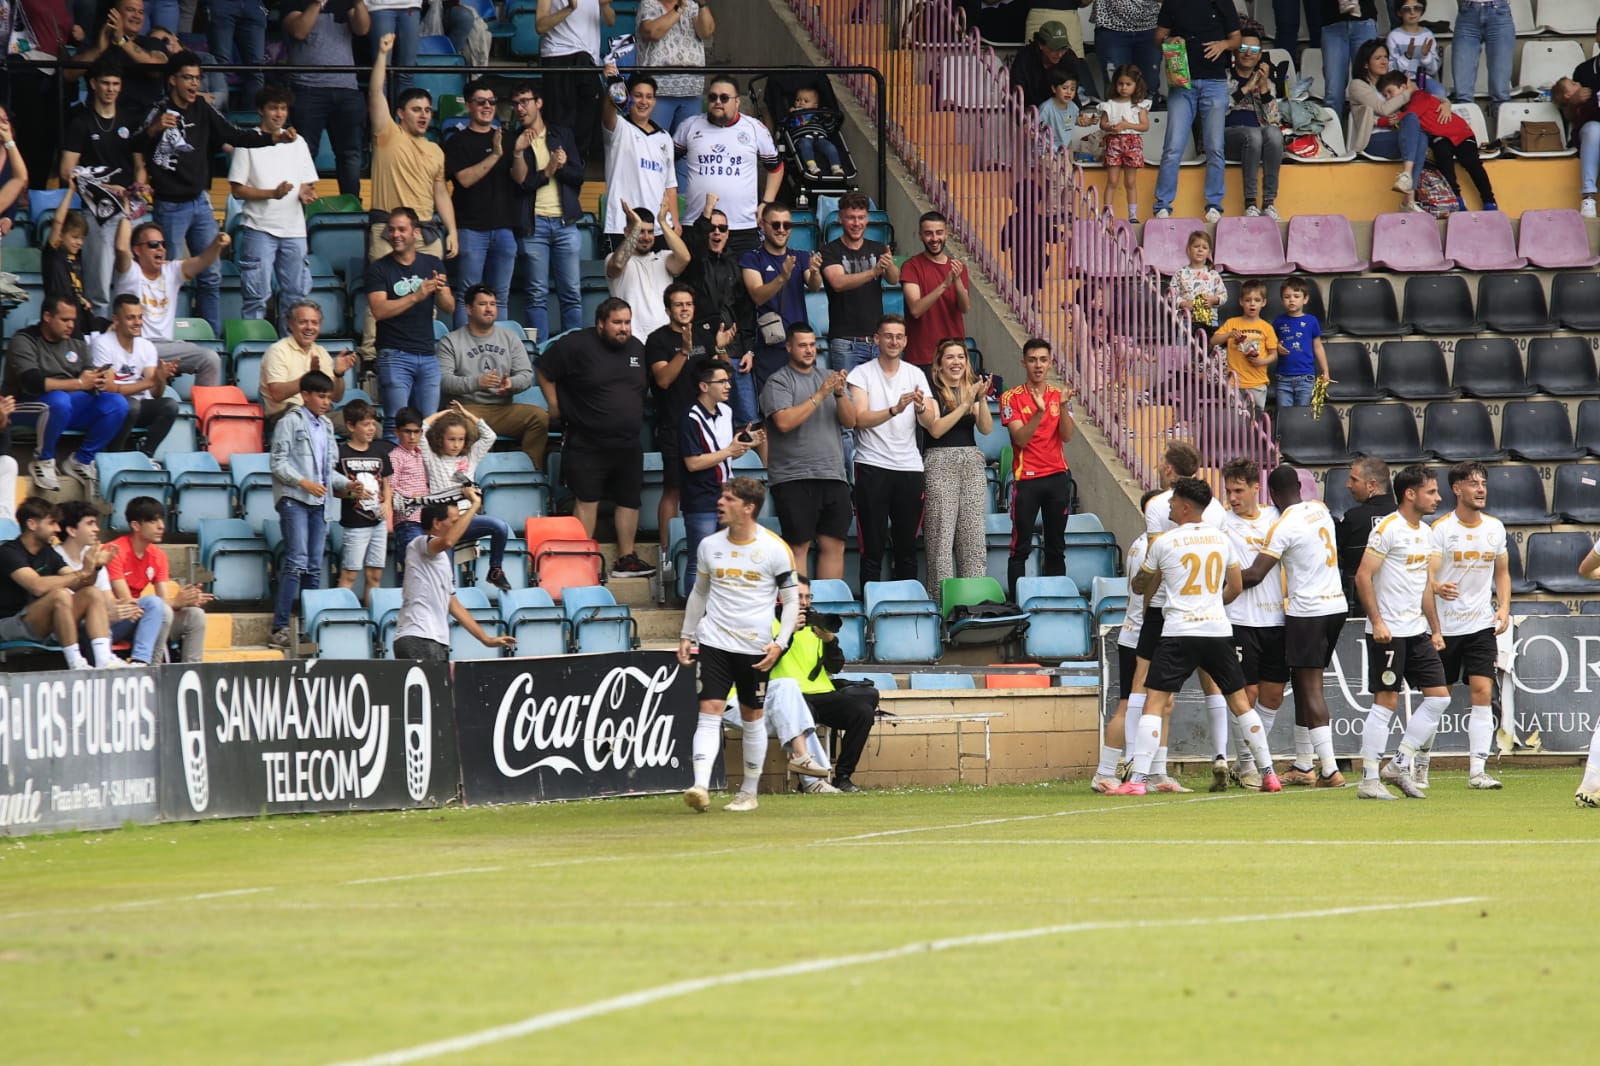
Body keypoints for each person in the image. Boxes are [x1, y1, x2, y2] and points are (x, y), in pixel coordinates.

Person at [1113, 477, 1281, 795]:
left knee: (1155, 702)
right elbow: (1235, 585)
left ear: (1186, 506)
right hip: (1217, 630)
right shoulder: (1221, 539)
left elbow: (1139, 585)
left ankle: (1137, 781)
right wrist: (1215, 603)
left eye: (1173, 501)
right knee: (1240, 703)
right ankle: (1269, 774)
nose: (1170, 506)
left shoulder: (1164, 543)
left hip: (1179, 631)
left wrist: (1150, 578)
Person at [132, 51, 290, 336]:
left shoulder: (203, 109)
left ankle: (211, 339)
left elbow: (232, 134)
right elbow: (133, 145)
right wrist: (154, 130)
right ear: (172, 80)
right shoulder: (158, 110)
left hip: (200, 202)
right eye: (188, 78)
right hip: (169, 206)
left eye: (197, 78)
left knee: (211, 276)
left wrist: (271, 138)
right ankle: (168, 335)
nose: (194, 84)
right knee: (168, 277)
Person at [678, 476, 801, 813]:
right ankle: (700, 786)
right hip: (714, 641)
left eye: (729, 499)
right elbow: (699, 593)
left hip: (755, 648)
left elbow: (791, 602)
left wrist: (780, 643)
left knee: (752, 716)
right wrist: (687, 635)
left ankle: (748, 792)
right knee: (709, 710)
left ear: (748, 508)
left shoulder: (775, 549)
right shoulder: (710, 546)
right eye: (721, 496)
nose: (720, 503)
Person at [1239, 467, 1349, 788]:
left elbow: (1255, 575)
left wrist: (1216, 580)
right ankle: (1304, 765)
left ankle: (1329, 769)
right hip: (1336, 606)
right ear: (1300, 487)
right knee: (1303, 684)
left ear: (1270, 495)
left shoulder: (1282, 526)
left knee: (1311, 686)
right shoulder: (1319, 510)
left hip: (1308, 612)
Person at [536, 298, 657, 577]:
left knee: (630, 500)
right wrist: (555, 405)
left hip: (627, 442)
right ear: (601, 323)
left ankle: (626, 560)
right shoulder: (576, 345)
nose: (624, 329)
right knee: (587, 500)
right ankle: (582, 557)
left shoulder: (637, 348)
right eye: (617, 323)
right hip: (587, 441)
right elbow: (543, 369)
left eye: (627, 322)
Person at [1352, 464, 1450, 801]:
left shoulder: (1425, 533)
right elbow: (1363, 576)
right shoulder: (1387, 530)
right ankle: (1368, 780)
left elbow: (1424, 585)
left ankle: (1399, 763)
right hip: (1389, 632)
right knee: (1386, 703)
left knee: (1440, 697)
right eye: (1431, 491)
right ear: (1410, 494)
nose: (1438, 497)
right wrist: (1377, 621)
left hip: (1416, 630)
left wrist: (1435, 628)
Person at [268, 370, 368, 649]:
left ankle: (308, 626)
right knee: (297, 561)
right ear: (306, 395)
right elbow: (277, 463)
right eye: (321, 396)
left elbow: (329, 473)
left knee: (313, 566)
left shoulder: (325, 425)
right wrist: (304, 483)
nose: (326, 402)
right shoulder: (289, 422)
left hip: (319, 502)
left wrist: (350, 485)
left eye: (328, 397)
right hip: (294, 498)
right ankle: (280, 627)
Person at [1429, 462, 1510, 791]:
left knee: (1482, 691)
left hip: (1480, 624)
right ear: (1457, 489)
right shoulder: (1441, 529)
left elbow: (1502, 572)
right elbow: (1428, 573)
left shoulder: (1495, 528)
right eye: (1473, 483)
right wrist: (1436, 587)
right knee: (1438, 697)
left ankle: (1478, 770)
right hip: (1445, 626)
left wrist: (1504, 606)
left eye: (1484, 483)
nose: (1481, 489)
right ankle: (1418, 763)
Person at [648, 284, 738, 581]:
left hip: (710, 425)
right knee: (673, 488)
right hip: (675, 424)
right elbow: (662, 380)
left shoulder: (704, 335)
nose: (684, 309)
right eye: (678, 305)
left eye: (688, 304)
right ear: (668, 309)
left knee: (717, 485)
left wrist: (721, 349)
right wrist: (684, 352)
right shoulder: (658, 339)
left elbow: (721, 374)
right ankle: (667, 556)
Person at [6, 295, 129, 492]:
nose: (71, 325)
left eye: (73, 320)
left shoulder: (76, 340)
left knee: (117, 403)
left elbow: (88, 373)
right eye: (65, 320)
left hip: (65, 405)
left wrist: (99, 379)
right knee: (59, 400)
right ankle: (43, 460)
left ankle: (81, 460)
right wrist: (80, 383)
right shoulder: (24, 339)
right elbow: (33, 383)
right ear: (47, 316)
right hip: (23, 404)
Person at [761, 323, 855, 581]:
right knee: (798, 547)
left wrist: (838, 395)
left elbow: (851, 421)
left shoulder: (830, 377)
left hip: (833, 475)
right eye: (802, 345)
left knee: (835, 545)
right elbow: (783, 422)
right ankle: (799, 612)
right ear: (789, 347)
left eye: (812, 345)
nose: (809, 350)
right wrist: (820, 394)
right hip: (794, 477)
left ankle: (827, 613)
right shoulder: (778, 381)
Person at [771, 574, 880, 792]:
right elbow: (765, 662)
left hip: (823, 693)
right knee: (803, 716)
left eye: (807, 597)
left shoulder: (816, 625)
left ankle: (843, 776)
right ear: (781, 597)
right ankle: (810, 782)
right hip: (790, 696)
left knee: (863, 712)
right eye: (797, 596)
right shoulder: (770, 623)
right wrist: (788, 633)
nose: (803, 602)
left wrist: (830, 641)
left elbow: (835, 667)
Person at [849, 315, 934, 591]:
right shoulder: (861, 374)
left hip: (909, 468)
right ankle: (873, 612)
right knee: (871, 548)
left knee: (907, 548)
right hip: (872, 465)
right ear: (876, 339)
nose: (894, 341)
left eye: (899, 336)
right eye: (888, 336)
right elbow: (858, 418)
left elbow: (930, 421)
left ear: (906, 341)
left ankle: (906, 612)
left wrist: (921, 407)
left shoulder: (915, 374)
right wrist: (894, 410)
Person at [59, 58, 147, 320]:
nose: (111, 89)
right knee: (99, 292)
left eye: (116, 84)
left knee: (135, 284)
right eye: (106, 83)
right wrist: (107, 187)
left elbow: (140, 163)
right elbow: (67, 171)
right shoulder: (81, 122)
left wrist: (141, 183)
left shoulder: (130, 119)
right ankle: (99, 342)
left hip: (131, 209)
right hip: (98, 212)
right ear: (94, 84)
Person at [229, 85, 319, 332]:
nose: (279, 114)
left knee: (296, 297)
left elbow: (306, 181)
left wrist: (306, 192)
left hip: (294, 229)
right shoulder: (247, 141)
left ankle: (291, 354)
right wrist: (272, 194)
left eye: (283, 108)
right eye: (273, 108)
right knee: (255, 297)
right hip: (258, 227)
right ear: (261, 110)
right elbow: (237, 189)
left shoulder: (297, 141)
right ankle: (253, 353)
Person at [393, 487, 519, 660]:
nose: (459, 526)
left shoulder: (442, 559)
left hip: (436, 640)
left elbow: (454, 605)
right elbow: (449, 540)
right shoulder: (419, 543)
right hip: (417, 636)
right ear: (437, 523)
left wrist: (486, 639)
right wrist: (475, 504)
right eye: (454, 522)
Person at [1218, 458, 1283, 792]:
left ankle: (1257, 756)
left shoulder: (1276, 518)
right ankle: (1248, 767)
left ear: (1257, 487)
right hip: (1239, 619)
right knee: (1247, 693)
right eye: (1229, 490)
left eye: (1239, 490)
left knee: (1272, 696)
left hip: (1277, 618)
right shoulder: (1222, 523)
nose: (1233, 497)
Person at [365, 32, 457, 269]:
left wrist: (452, 231)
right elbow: (375, 92)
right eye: (416, 109)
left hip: (425, 232)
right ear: (400, 113)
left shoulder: (436, 149)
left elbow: (441, 193)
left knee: (430, 301)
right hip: (389, 230)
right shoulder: (388, 133)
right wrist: (383, 54)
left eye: (427, 110)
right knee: (385, 298)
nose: (424, 114)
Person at [0, 497, 120, 670]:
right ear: (32, 524)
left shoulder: (48, 552)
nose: (57, 529)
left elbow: (79, 584)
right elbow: (37, 586)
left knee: (92, 593)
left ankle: (104, 659)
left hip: (41, 621)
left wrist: (96, 567)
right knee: (59, 595)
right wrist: (82, 572)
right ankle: (75, 662)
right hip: (9, 625)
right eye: (52, 523)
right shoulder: (8, 552)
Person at [367, 206, 454, 440]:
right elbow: (379, 310)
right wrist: (416, 296)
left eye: (402, 229)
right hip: (394, 354)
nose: (395, 234)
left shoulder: (432, 262)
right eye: (391, 230)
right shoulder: (379, 268)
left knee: (428, 426)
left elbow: (449, 307)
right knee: (396, 424)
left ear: (415, 232)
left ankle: (422, 477)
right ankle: (392, 477)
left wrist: (440, 290)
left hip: (427, 354)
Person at [437, 285, 549, 468]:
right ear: (469, 309)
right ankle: (469, 479)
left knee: (539, 417)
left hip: (503, 408)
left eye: (493, 304)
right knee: (462, 428)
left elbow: (527, 375)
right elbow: (443, 380)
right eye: (482, 304)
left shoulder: (510, 337)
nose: (489, 309)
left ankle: (530, 473)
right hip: (466, 409)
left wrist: (511, 383)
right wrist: (477, 383)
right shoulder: (451, 341)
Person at [410, 400, 515, 593]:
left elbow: (489, 436)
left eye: (460, 439)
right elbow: (422, 429)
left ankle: (495, 570)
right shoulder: (432, 458)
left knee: (500, 527)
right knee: (448, 581)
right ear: (440, 438)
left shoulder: (469, 458)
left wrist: (467, 415)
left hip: (465, 519)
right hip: (443, 526)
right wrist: (442, 414)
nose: (456, 444)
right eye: (451, 439)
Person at [109, 218, 226, 389]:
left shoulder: (171, 271)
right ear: (137, 250)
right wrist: (126, 215)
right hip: (137, 344)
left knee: (210, 359)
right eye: (153, 244)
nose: (161, 249)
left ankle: (204, 411)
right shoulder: (130, 273)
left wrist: (217, 244)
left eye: (163, 244)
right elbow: (120, 248)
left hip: (167, 347)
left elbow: (203, 260)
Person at [509, 80, 585, 341]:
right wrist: (548, 170)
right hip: (533, 225)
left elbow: (579, 177)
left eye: (525, 102)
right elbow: (522, 185)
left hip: (565, 223)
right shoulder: (514, 139)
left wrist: (561, 167)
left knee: (572, 293)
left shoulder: (561, 134)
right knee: (536, 294)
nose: (520, 108)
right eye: (516, 103)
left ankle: (574, 351)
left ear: (538, 103)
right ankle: (538, 352)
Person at [1152, 0, 1240, 223]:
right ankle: (1162, 205)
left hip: (1214, 80)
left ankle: (1214, 205)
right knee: (1173, 146)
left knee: (1215, 147)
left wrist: (1223, 45)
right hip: (1182, 80)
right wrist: (1168, 40)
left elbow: (1236, 39)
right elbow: (1157, 39)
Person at [1000, 339, 1075, 600]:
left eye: (1043, 360)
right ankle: (1019, 604)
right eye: (1032, 360)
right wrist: (1039, 413)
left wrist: (1063, 407)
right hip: (1027, 479)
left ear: (1050, 362)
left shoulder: (1058, 395)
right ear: (1024, 363)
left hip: (1056, 477)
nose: (1038, 365)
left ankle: (1057, 604)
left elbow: (1066, 436)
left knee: (1056, 546)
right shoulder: (1010, 397)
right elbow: (1019, 439)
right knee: (1020, 547)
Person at [1091, 498, 1157, 794]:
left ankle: (1142, 770)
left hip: (1135, 631)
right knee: (1132, 704)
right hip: (1141, 633)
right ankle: (1111, 770)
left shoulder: (1141, 543)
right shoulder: (1149, 548)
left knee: (1149, 704)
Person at [676, 76, 784, 255]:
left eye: (724, 98)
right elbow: (666, 161)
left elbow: (776, 167)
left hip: (742, 225)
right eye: (712, 97)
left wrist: (766, 202)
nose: (718, 102)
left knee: (745, 281)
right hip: (697, 224)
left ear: (737, 102)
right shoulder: (689, 126)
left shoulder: (754, 128)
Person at [444, 78, 522, 327]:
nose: (487, 106)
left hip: (504, 228)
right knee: (468, 295)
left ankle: (498, 353)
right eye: (481, 102)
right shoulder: (457, 141)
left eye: (491, 102)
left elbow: (520, 178)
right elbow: (464, 179)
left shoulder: (507, 139)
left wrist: (517, 153)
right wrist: (496, 154)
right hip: (470, 228)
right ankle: (461, 353)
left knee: (500, 298)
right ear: (469, 106)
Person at [55, 499, 166, 666]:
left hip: (101, 623)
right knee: (92, 595)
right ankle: (104, 660)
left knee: (152, 603)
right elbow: (64, 607)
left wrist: (122, 609)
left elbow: (108, 600)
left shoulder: (95, 555)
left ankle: (140, 662)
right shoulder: (54, 556)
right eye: (90, 524)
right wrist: (107, 614)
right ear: (72, 530)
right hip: (71, 627)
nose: (96, 529)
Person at [105, 494, 212, 663]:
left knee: (195, 615)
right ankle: (152, 667)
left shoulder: (158, 556)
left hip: (144, 618)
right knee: (162, 609)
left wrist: (186, 600)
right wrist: (175, 602)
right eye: (153, 521)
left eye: (161, 520)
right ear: (136, 525)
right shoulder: (114, 551)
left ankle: (191, 671)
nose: (161, 526)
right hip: (116, 620)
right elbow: (128, 602)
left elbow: (164, 599)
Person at [923, 338, 992, 598]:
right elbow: (936, 429)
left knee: (973, 537)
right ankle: (942, 604)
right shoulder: (931, 391)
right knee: (941, 538)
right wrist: (964, 403)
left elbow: (986, 428)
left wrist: (981, 400)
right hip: (939, 461)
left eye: (961, 357)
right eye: (950, 357)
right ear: (939, 363)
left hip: (971, 461)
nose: (956, 362)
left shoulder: (970, 390)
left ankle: (973, 601)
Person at [682, 361, 759, 591]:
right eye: (721, 381)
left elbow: (722, 456)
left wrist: (743, 446)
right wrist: (729, 451)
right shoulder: (690, 417)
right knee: (700, 561)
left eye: (728, 381)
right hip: (700, 497)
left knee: (728, 559)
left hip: (727, 494)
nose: (728, 386)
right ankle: (695, 619)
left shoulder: (727, 411)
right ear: (704, 386)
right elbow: (693, 463)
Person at [283, 0, 372, 200]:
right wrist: (317, 3)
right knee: (305, 154)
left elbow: (363, 28)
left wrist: (358, 2)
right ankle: (301, 208)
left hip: (346, 87)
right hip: (307, 89)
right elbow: (299, 31)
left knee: (350, 155)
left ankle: (351, 209)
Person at [1380, 71, 1498, 211]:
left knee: (1471, 162)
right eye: (1385, 96)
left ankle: (1489, 200)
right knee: (1443, 160)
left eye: (1390, 92)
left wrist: (1381, 121)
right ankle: (1457, 199)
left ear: (1404, 88)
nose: (1388, 98)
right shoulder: (1403, 110)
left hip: (1461, 133)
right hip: (1440, 137)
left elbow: (1413, 113)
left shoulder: (1420, 96)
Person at [1348, 39, 1441, 212]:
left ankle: (1406, 180)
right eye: (1378, 58)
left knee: (1417, 130)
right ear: (1366, 64)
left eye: (1385, 57)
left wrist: (1446, 103)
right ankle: (1409, 199)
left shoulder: (1391, 80)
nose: (1384, 61)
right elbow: (1382, 109)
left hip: (1401, 136)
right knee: (1418, 135)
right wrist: (1407, 92)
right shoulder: (1358, 85)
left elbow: (1422, 98)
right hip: (1372, 139)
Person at [741, 202, 823, 394]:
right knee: (775, 408)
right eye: (775, 224)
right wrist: (782, 278)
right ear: (762, 225)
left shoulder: (800, 256)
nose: (781, 230)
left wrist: (816, 271)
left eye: (786, 225)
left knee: (806, 401)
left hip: (800, 345)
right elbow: (757, 295)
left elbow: (813, 285)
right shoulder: (752, 258)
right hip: (770, 345)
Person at [599, 68, 677, 251]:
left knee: (661, 280)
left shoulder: (665, 137)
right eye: (638, 96)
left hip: (658, 229)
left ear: (655, 101)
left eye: (649, 97)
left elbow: (670, 185)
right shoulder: (619, 128)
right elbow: (609, 111)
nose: (644, 101)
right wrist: (613, 83)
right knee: (622, 278)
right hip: (622, 226)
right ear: (629, 97)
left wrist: (675, 222)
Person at [820, 191, 898, 374]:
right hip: (845, 341)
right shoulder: (830, 250)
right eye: (851, 218)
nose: (857, 223)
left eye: (861, 217)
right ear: (840, 219)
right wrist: (874, 271)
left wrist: (889, 264)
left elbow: (893, 279)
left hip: (877, 340)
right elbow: (837, 282)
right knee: (848, 397)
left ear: (867, 219)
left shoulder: (878, 247)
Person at [91, 292, 179, 454]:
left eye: (140, 317)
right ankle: (114, 454)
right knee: (131, 406)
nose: (137, 322)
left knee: (170, 405)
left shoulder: (146, 346)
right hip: (112, 406)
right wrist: (151, 381)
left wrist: (160, 378)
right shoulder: (102, 344)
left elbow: (156, 394)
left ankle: (146, 455)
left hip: (139, 405)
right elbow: (109, 388)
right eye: (130, 318)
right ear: (116, 320)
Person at [536, 0, 616, 164]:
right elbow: (540, 26)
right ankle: (559, 166)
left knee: (589, 119)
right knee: (560, 122)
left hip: (588, 59)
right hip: (558, 55)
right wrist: (569, 8)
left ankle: (576, 166)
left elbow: (611, 21)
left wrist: (604, 5)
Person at [334, 398, 392, 608]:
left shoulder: (380, 452)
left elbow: (387, 483)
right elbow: (335, 490)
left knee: (375, 574)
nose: (371, 428)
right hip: (355, 524)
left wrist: (387, 504)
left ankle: (372, 619)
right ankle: (339, 616)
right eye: (365, 424)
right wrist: (352, 494)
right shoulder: (341, 454)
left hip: (378, 522)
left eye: (373, 423)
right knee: (349, 573)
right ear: (351, 426)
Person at [260, 300, 355, 426]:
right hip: (287, 414)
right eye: (303, 322)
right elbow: (277, 394)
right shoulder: (278, 350)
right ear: (290, 324)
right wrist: (309, 378)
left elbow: (336, 397)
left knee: (365, 423)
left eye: (314, 323)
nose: (309, 327)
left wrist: (338, 374)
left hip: (320, 413)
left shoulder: (320, 351)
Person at [607, 202, 692, 340]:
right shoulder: (613, 258)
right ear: (627, 232)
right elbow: (617, 264)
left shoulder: (663, 258)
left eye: (650, 231)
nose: (646, 237)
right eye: (640, 231)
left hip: (664, 340)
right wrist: (635, 228)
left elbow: (685, 258)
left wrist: (663, 222)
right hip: (631, 340)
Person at [635, 0, 715, 144]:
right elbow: (652, 32)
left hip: (691, 89)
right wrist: (680, 7)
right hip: (658, 91)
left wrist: (702, 5)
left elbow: (707, 31)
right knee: (654, 144)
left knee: (686, 147)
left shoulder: (692, 6)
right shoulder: (649, 4)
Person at [1224, 33, 1284, 220]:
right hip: (1227, 139)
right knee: (1253, 134)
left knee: (1274, 134)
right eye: (1243, 48)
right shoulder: (1223, 77)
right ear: (1235, 52)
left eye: (1254, 50)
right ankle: (1250, 203)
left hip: (1256, 143)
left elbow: (1273, 120)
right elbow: (1218, 110)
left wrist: (1264, 88)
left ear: (1260, 55)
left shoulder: (1266, 83)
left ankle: (1268, 203)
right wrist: (1246, 88)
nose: (1248, 53)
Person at [900, 212, 970, 369]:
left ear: (946, 234)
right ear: (920, 236)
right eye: (928, 233)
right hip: (921, 356)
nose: (934, 239)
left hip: (954, 356)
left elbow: (965, 308)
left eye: (939, 233)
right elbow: (916, 310)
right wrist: (944, 285)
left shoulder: (958, 267)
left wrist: (957, 281)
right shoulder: (911, 266)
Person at [43, 178, 102, 333]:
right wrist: (71, 191)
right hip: (58, 319)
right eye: (75, 237)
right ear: (61, 235)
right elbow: (58, 221)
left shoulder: (78, 257)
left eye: (82, 238)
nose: (79, 242)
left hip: (79, 321)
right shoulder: (53, 256)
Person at [1212, 278, 1278, 415]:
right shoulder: (1232, 323)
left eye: (1257, 300)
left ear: (1263, 303)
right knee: (1235, 421)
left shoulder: (1267, 328)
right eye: (1248, 300)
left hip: (1257, 383)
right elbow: (1213, 340)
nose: (1252, 304)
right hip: (1234, 383)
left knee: (1255, 419)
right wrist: (1229, 335)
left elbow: (1274, 354)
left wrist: (1262, 361)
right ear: (1241, 302)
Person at [1336, 453, 1395, 598]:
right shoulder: (1402, 516)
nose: (1348, 485)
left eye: (1354, 480)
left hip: (1357, 600)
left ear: (1372, 485)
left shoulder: (1353, 518)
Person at [1449, 0, 1514, 128]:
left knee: (1500, 92)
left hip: (1499, 10)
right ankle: (1465, 142)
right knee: (1462, 93)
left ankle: (1504, 140)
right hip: (1467, 11)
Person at [1099, 64, 1150, 223]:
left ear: (1136, 85)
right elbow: (1103, 124)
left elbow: (1144, 126)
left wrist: (1127, 125)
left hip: (1133, 143)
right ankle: (1107, 213)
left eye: (1128, 84)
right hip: (1114, 142)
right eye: (1120, 84)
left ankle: (1133, 214)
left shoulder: (1139, 104)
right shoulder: (1110, 104)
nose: (1124, 87)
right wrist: (1112, 127)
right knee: (1112, 180)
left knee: (1130, 181)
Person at [1093, 0, 1162, 111]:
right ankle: (1116, 123)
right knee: (1116, 84)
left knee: (1149, 84)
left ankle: (1147, 125)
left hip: (1150, 26)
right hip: (1111, 26)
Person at [1272, 275, 1329, 409]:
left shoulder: (1311, 321)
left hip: (1306, 377)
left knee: (1302, 414)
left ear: (1305, 299)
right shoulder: (1278, 321)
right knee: (1284, 414)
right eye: (1287, 297)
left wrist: (1325, 371)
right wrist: (1276, 346)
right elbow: (1270, 343)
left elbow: (1318, 347)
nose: (1291, 300)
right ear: (1282, 300)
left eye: (1296, 296)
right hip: (1283, 378)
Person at [388, 406, 433, 565]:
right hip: (407, 520)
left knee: (425, 566)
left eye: (417, 432)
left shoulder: (421, 454)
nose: (412, 437)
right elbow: (390, 489)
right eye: (407, 431)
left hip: (425, 520)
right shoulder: (395, 457)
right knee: (413, 565)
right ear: (396, 432)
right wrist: (409, 498)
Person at [1320, 0, 1378, 122]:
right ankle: (1334, 139)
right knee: (1333, 93)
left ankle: (1370, 137)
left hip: (1364, 19)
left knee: (1368, 88)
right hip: (1332, 23)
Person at [1553, 70, 1600, 218]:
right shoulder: (1585, 75)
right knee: (1593, 130)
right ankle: (1588, 197)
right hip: (1592, 133)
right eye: (1573, 84)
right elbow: (1572, 116)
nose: (1579, 84)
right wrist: (1574, 102)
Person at [1009, 19, 1082, 109]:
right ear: (1040, 45)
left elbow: (1073, 90)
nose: (1059, 54)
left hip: (1061, 110)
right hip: (1029, 111)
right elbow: (1016, 92)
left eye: (1063, 48)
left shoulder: (1069, 58)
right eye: (1054, 49)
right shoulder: (1025, 57)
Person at [1171, 230, 1226, 344]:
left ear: (1209, 252)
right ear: (1188, 250)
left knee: (1208, 350)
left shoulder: (1213, 274)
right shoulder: (1180, 273)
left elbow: (1223, 295)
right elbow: (1172, 296)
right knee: (1183, 352)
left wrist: (1214, 300)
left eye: (1204, 247)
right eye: (1196, 246)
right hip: (1186, 320)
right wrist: (1183, 303)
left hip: (1210, 321)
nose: (1200, 250)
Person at [366, 0, 423, 99]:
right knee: (381, 72)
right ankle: (379, 113)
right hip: (379, 6)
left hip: (411, 5)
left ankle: (402, 113)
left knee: (407, 72)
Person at [787, 85, 845, 178]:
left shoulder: (817, 116)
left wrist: (827, 117)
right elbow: (788, 126)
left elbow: (829, 129)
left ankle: (836, 167)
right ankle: (812, 166)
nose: (801, 103)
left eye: (806, 101)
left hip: (820, 137)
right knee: (805, 145)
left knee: (831, 147)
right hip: (803, 137)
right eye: (798, 100)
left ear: (815, 106)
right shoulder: (796, 116)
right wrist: (791, 115)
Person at [1387, 1, 1441, 87]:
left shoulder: (1428, 34)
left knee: (1440, 93)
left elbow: (1433, 70)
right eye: (1406, 9)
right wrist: (1407, 56)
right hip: (1401, 81)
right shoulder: (1394, 36)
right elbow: (1391, 70)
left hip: (1425, 79)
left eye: (1417, 8)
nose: (1412, 12)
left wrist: (1425, 56)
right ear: (1399, 12)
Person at [1037, 70, 1091, 154]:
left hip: (1064, 148)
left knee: (1069, 166)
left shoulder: (1073, 106)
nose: (1069, 92)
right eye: (1064, 88)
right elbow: (1036, 126)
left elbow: (1072, 120)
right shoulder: (1046, 108)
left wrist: (1085, 121)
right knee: (1054, 167)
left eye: (1072, 89)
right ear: (1054, 89)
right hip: (1047, 151)